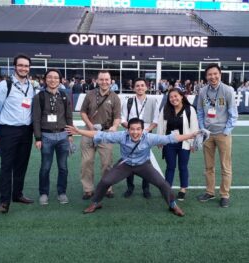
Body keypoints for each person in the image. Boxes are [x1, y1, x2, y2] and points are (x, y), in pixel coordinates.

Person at [65, 118, 199, 217]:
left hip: (143, 165)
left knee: (162, 183)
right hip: (126, 164)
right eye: (132, 129)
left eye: (138, 129)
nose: (135, 132)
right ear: (127, 130)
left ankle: (172, 204)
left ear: (142, 130)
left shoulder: (149, 137)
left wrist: (192, 135)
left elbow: (172, 138)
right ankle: (96, 203)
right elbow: (100, 135)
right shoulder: (122, 136)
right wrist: (79, 131)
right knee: (106, 181)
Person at [0, 54, 35, 213]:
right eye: (21, 65)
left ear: (29, 68)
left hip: (26, 131)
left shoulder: (31, 85)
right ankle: (4, 201)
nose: (23, 68)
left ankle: (17, 194)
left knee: (21, 165)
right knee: (6, 166)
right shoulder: (5, 85)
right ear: (15, 67)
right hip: (9, 130)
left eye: (26, 66)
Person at [196, 63, 238, 208]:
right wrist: (202, 128)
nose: (212, 77)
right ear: (206, 76)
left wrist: (227, 131)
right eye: (209, 74)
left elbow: (233, 113)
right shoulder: (202, 91)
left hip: (222, 134)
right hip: (207, 134)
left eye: (215, 74)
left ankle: (225, 195)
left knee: (225, 166)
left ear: (220, 74)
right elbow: (200, 111)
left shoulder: (227, 90)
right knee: (208, 166)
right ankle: (209, 191)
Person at [32, 69, 74, 206]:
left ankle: (62, 192)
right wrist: (38, 138)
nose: (53, 80)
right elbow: (36, 119)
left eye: (56, 78)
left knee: (63, 167)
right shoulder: (40, 96)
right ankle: (43, 193)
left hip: (63, 136)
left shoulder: (64, 95)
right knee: (45, 167)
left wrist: (70, 134)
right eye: (50, 77)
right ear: (45, 79)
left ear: (60, 80)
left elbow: (69, 116)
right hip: (46, 137)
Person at [79, 70, 121, 200]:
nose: (104, 82)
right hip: (89, 131)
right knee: (86, 161)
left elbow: (117, 117)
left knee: (107, 163)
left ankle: (107, 187)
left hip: (106, 133)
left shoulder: (115, 97)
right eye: (101, 79)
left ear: (110, 81)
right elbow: (82, 112)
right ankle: (88, 189)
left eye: (106, 79)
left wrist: (114, 127)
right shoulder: (90, 94)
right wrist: (90, 125)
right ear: (97, 80)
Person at [157, 88, 199, 201]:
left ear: (181, 96)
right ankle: (167, 188)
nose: (173, 99)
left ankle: (183, 189)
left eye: (176, 96)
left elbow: (194, 127)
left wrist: (192, 143)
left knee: (183, 166)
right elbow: (161, 125)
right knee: (170, 166)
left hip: (184, 143)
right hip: (169, 143)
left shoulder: (190, 109)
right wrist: (160, 140)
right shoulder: (165, 109)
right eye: (171, 97)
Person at [121, 78, 160, 199]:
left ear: (146, 87)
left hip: (146, 135)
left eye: (142, 85)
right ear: (133, 88)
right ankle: (130, 187)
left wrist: (145, 131)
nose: (140, 88)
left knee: (145, 161)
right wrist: (133, 130)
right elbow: (122, 119)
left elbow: (156, 120)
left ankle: (146, 188)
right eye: (137, 86)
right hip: (130, 135)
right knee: (128, 160)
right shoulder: (128, 101)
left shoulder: (153, 101)